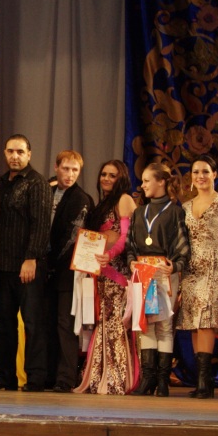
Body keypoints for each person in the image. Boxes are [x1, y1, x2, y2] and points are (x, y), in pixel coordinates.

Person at [0, 135, 52, 391]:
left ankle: (35, 379)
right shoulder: (1, 183)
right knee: (3, 325)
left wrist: (31, 258)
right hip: (2, 266)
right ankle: (4, 377)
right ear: (5, 153)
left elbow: (41, 224)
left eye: (20, 152)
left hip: (28, 266)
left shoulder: (37, 183)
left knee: (33, 324)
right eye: (11, 151)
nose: (15, 156)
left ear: (29, 154)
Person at [178, 155, 218, 399]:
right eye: (196, 172)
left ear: (214, 174)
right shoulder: (185, 206)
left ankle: (206, 382)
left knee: (206, 320)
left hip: (214, 266)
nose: (200, 176)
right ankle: (202, 381)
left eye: (205, 171)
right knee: (193, 322)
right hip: (191, 268)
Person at [125, 161, 191, 397]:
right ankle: (148, 379)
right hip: (142, 273)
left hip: (163, 274)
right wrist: (131, 261)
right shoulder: (139, 212)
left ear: (161, 181)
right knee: (146, 324)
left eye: (146, 181)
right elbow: (130, 244)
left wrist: (175, 266)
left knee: (164, 325)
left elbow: (183, 246)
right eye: (142, 181)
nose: (142, 185)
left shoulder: (175, 212)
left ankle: (162, 381)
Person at [76, 160, 138, 395]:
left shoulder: (124, 199)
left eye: (112, 175)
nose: (107, 179)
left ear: (121, 178)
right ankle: (100, 376)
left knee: (115, 324)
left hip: (116, 271)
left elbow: (126, 237)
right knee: (102, 323)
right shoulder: (102, 203)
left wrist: (109, 255)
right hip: (99, 271)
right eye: (104, 174)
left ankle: (117, 379)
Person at [45, 150, 94, 391]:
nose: (70, 174)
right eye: (66, 168)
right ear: (56, 168)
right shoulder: (47, 191)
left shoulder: (81, 198)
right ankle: (47, 375)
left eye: (75, 170)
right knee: (46, 322)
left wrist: (52, 261)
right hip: (45, 268)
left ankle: (65, 378)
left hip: (67, 270)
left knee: (66, 324)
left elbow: (73, 237)